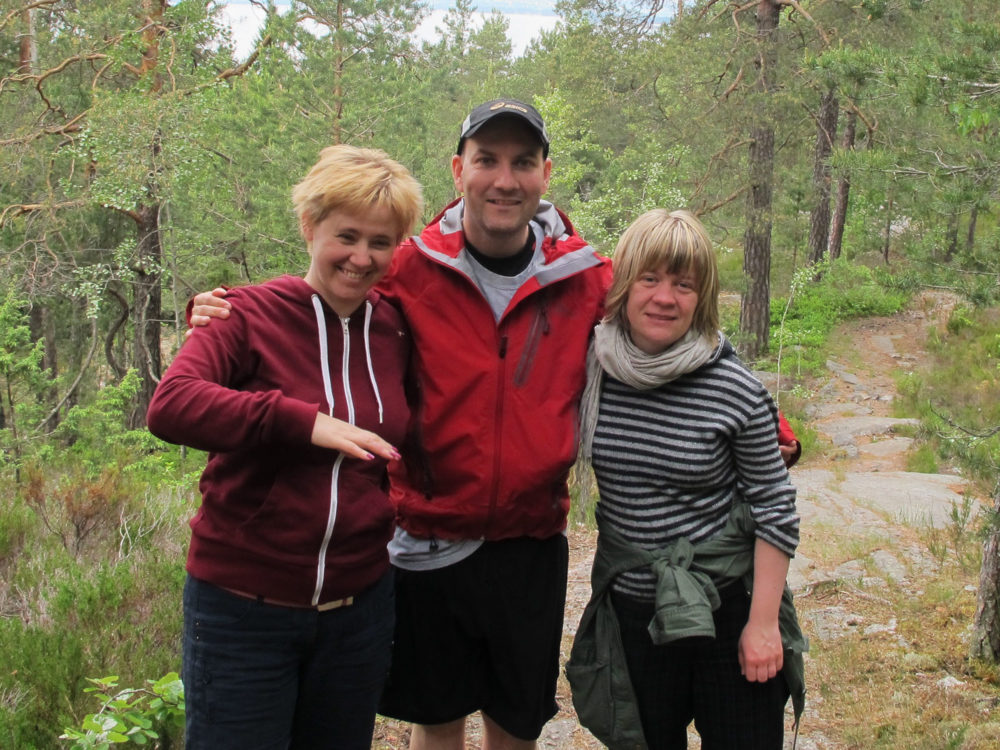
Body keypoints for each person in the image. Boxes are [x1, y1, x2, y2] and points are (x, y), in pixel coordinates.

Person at [187, 100, 799, 749]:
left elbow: (667, 315)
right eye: (487, 160)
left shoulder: (584, 274)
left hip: (528, 542)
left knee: (515, 725)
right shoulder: (409, 267)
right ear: (459, 170)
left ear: (544, 173)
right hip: (428, 538)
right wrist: (230, 308)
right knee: (438, 722)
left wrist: (765, 419)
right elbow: (334, 279)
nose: (504, 179)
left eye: (522, 162)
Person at [146, 144, 423, 750]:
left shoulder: (396, 330)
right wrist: (302, 423)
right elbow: (172, 405)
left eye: (381, 242)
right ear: (308, 226)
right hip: (243, 611)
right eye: (346, 235)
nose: (361, 257)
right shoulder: (244, 314)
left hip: (359, 611)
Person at [568, 209, 806, 750]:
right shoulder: (591, 368)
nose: (664, 297)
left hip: (727, 608)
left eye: (684, 284)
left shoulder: (734, 387)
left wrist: (764, 625)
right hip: (633, 612)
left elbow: (775, 508)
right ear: (624, 285)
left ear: (703, 298)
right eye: (649, 279)